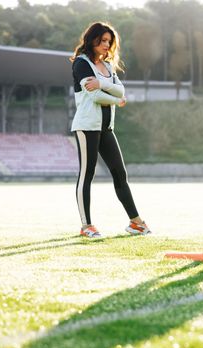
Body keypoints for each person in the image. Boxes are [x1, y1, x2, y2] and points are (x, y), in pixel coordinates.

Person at [70, 22, 150, 238]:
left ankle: (136, 222)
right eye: (103, 40)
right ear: (92, 39)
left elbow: (120, 90)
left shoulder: (108, 67)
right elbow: (95, 97)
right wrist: (117, 99)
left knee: (120, 173)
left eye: (109, 42)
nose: (106, 45)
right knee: (87, 174)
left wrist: (105, 86)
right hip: (87, 127)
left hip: (106, 128)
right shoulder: (81, 64)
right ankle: (86, 225)